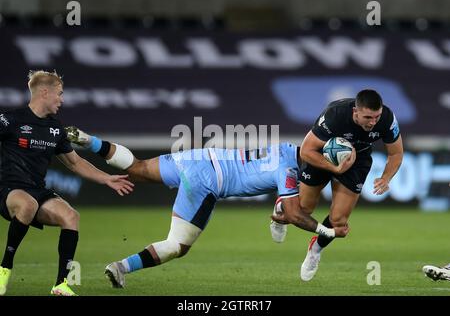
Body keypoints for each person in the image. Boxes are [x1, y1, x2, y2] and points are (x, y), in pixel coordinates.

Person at [64, 125, 349, 288]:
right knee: (177, 246)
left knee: (137, 167)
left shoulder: (287, 148)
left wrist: (280, 214)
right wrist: (326, 231)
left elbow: (287, 206)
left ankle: (89, 141)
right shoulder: (288, 170)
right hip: (208, 181)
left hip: (199, 157)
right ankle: (120, 267)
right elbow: (294, 213)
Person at [0, 71, 134, 296]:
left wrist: (106, 178)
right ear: (45, 92)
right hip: (8, 188)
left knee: (71, 216)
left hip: (37, 190)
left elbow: (75, 163)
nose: (62, 100)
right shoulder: (10, 120)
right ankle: (4, 268)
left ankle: (61, 285)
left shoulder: (55, 129)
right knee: (27, 204)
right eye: (59, 94)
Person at [271, 89, 403, 281]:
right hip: (323, 154)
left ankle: (315, 251)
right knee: (303, 209)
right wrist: (335, 168)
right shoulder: (335, 115)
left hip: (357, 159)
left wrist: (386, 177)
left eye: (376, 116)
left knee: (339, 220)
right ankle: (280, 210)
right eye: (368, 117)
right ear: (355, 112)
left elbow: (396, 153)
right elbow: (306, 151)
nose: (373, 122)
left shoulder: (387, 119)